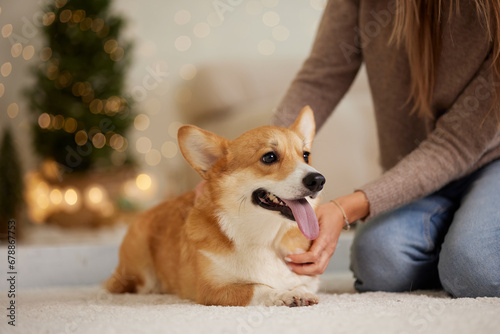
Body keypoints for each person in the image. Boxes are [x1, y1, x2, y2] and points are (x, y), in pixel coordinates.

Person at [272, 0, 500, 298]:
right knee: (378, 262)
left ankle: (462, 249)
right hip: (413, 173)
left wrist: (344, 209)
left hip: (490, 160)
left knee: (474, 269)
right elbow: (322, 76)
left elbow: (454, 145)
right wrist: (248, 161)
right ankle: (458, 239)